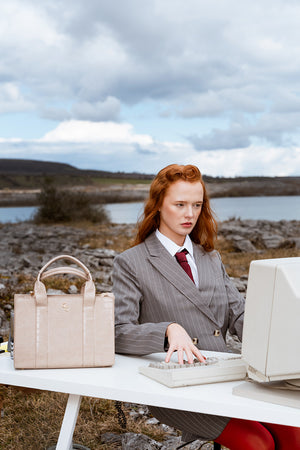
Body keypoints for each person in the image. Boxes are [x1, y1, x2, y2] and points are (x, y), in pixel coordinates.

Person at [113, 164, 300, 450]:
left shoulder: (209, 256)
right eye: (180, 204)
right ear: (158, 206)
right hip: (175, 384)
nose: (190, 214)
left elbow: (238, 313)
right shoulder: (131, 262)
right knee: (258, 442)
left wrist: (283, 333)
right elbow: (118, 331)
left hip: (226, 375)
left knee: (293, 431)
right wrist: (168, 331)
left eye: (197, 205)